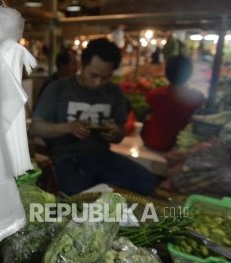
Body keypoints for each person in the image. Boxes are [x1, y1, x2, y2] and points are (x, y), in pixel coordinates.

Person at [30, 38, 156, 196]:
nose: (98, 83)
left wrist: (116, 132)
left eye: (105, 77)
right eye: (93, 75)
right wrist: (68, 127)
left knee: (146, 182)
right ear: (82, 65)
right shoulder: (58, 88)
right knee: (79, 197)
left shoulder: (114, 92)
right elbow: (36, 127)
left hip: (102, 155)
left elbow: (120, 134)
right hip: (69, 158)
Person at [141, 55, 204, 152]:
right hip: (179, 147)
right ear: (189, 74)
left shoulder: (154, 95)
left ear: (166, 74)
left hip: (153, 143)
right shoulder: (197, 98)